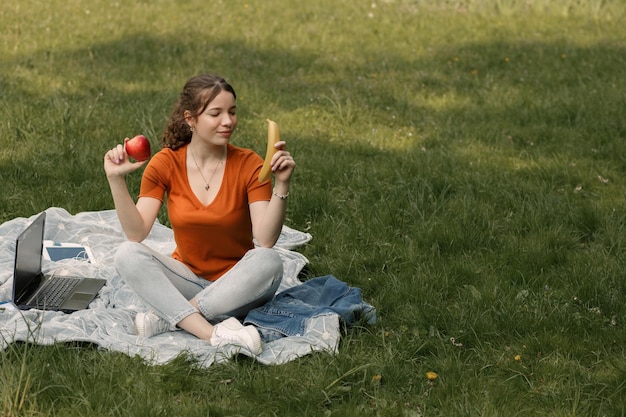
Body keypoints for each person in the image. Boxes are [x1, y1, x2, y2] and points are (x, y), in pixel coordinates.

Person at [103, 74, 296, 355]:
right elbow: (136, 233)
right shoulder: (166, 163)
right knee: (126, 253)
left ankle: (171, 318)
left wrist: (282, 184)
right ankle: (211, 332)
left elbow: (264, 239)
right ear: (190, 119)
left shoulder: (250, 164)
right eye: (216, 113)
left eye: (232, 112)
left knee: (269, 261)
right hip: (186, 279)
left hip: (239, 284)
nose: (228, 121)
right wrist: (116, 180)